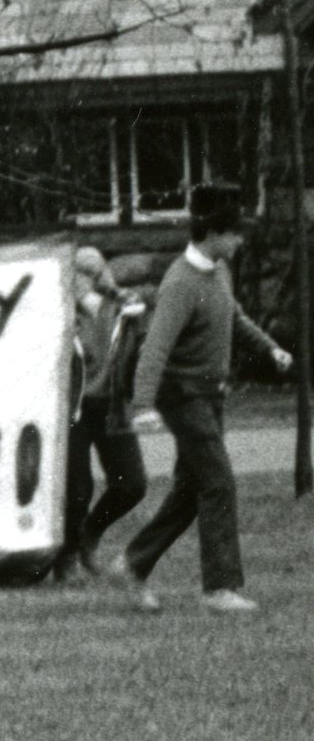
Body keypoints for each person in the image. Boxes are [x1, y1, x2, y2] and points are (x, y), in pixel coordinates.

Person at [117, 183, 295, 611]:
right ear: (213, 233)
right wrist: (142, 405)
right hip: (183, 396)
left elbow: (234, 316)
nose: (240, 241)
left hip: (210, 396)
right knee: (219, 483)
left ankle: (132, 563)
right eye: (234, 233)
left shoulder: (218, 272)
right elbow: (154, 347)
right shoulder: (180, 283)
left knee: (191, 489)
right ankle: (220, 588)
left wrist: (269, 347)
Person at [57, 246, 149, 581]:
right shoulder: (60, 311)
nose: (80, 281)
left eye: (89, 273)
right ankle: (66, 556)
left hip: (112, 404)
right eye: (76, 273)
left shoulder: (121, 306)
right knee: (77, 488)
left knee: (132, 484)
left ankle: (89, 535)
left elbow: (140, 348)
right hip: (74, 407)